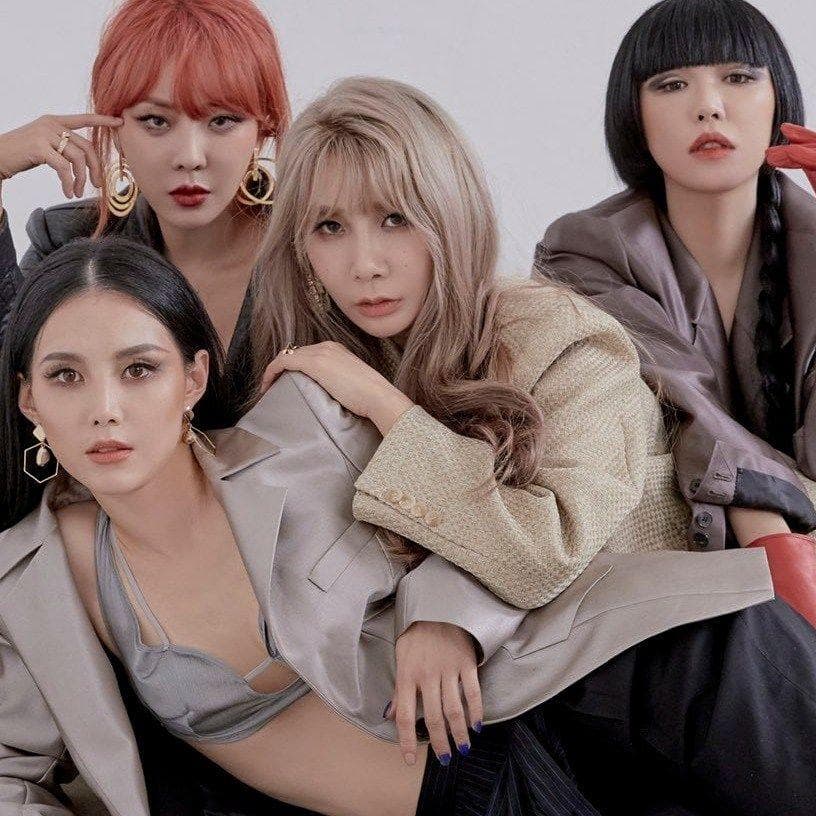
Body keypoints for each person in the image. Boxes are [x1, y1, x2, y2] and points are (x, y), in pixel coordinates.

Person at [245, 75, 814, 814]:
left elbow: (548, 547)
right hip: (540, 716)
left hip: (685, 671)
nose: (365, 264)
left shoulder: (563, 338)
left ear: (450, 214)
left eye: (395, 218)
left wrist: (388, 412)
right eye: (329, 228)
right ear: (300, 246)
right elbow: (333, 588)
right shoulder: (321, 380)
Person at [538, 0, 816, 620]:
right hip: (668, 591)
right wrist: (770, 535)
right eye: (671, 84)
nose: (709, 105)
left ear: (780, 100)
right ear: (632, 114)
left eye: (738, 77)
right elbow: (677, 398)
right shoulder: (585, 250)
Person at [0, 0, 289, 425]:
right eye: (156, 121)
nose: (190, 157)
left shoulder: (315, 243)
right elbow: (12, 398)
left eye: (222, 121)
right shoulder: (72, 243)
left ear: (264, 127)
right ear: (113, 127)